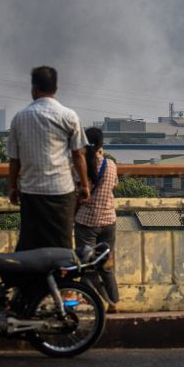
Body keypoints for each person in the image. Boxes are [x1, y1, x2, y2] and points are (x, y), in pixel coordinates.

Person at [8, 65, 89, 251]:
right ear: (56, 88)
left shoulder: (20, 118)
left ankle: (33, 280)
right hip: (61, 191)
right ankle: (61, 279)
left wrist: (12, 187)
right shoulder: (69, 116)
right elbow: (78, 155)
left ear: (34, 89)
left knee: (31, 245)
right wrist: (84, 185)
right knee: (62, 245)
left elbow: (14, 160)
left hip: (31, 191)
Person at [74, 127, 120, 313]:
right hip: (109, 220)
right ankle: (113, 303)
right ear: (101, 144)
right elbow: (114, 185)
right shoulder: (111, 165)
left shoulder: (81, 165)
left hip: (86, 221)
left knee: (86, 265)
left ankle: (88, 300)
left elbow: (76, 189)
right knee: (106, 264)